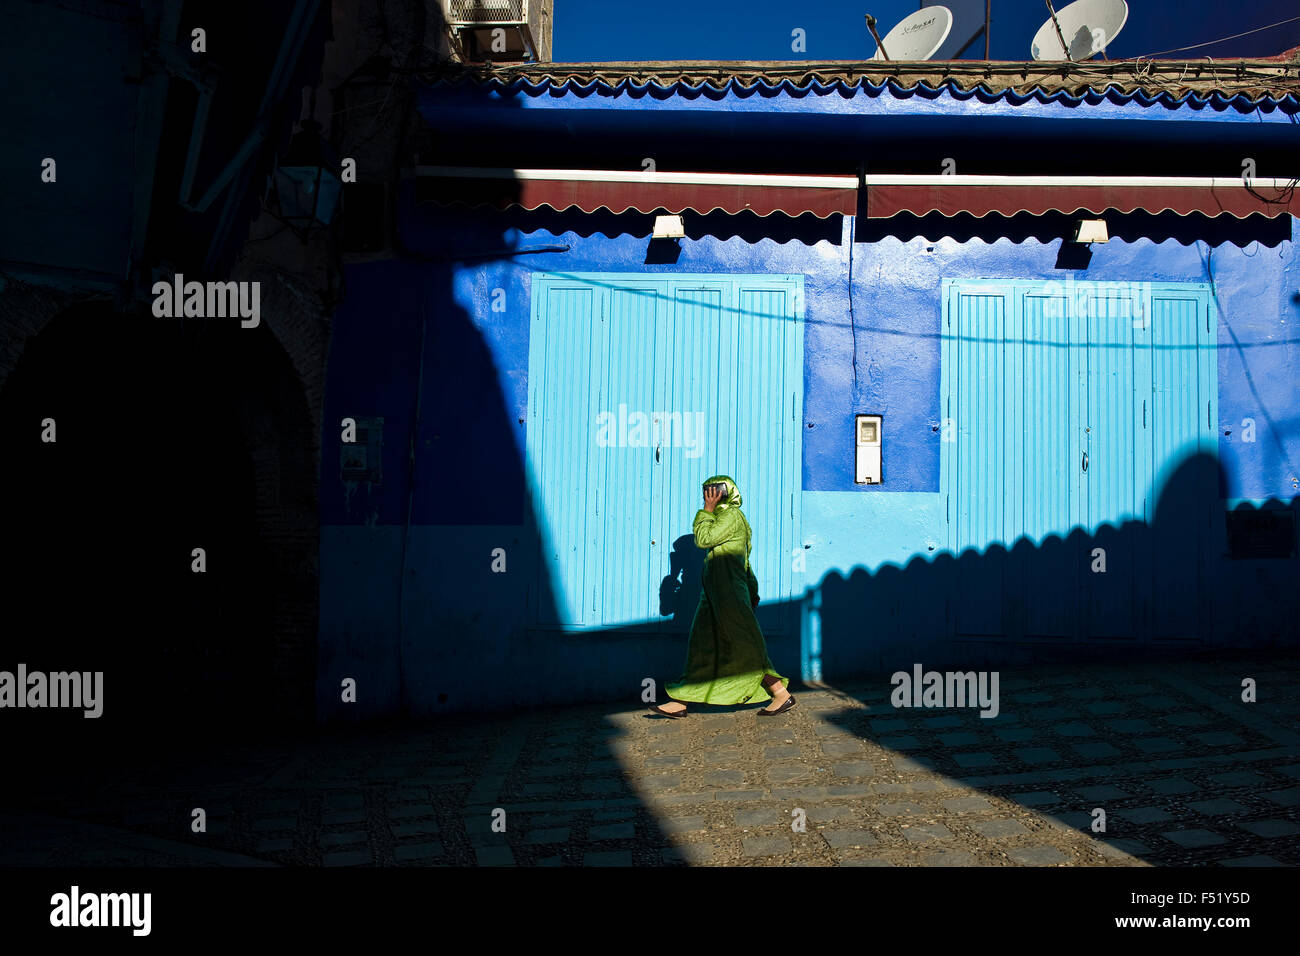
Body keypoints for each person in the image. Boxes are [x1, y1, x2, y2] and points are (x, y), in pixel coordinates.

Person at [650, 475, 795, 718]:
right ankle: (681, 700)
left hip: (729, 593)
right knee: (702, 646)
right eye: (707, 491)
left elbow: (703, 539)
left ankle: (780, 693)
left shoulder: (731, 516)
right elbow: (744, 561)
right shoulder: (725, 518)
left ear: (727, 492)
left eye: (714, 491)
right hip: (714, 594)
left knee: (745, 644)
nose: (710, 495)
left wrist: (706, 511)